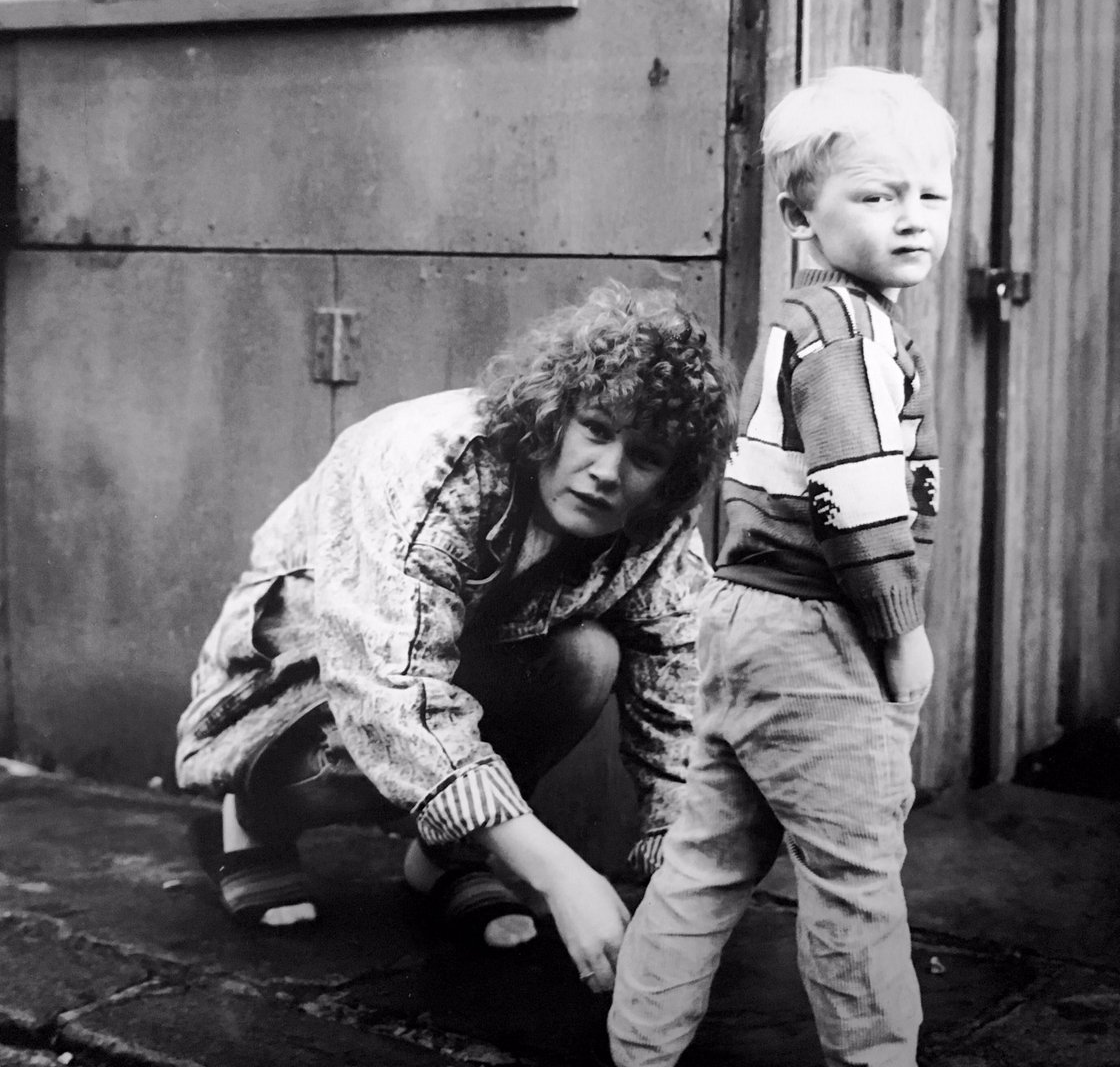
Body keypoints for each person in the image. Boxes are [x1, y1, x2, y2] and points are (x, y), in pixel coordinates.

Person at [174, 282, 738, 994]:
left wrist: (678, 890)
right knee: (364, 733)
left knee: (586, 658)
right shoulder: (436, 461)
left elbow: (682, 701)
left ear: (670, 476)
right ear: (554, 413)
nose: (607, 471)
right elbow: (387, 688)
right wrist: (558, 872)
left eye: (645, 455)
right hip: (301, 682)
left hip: (443, 674)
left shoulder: (657, 532)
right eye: (596, 427)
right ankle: (255, 819)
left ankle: (446, 857)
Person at [607, 67, 955, 1065]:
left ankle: (639, 1047)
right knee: (855, 881)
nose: (911, 219)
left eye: (928, 195)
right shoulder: (841, 336)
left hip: (742, 617)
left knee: (704, 861)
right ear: (804, 213)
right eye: (875, 195)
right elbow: (854, 499)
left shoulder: (822, 319)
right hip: (817, 631)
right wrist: (903, 632)